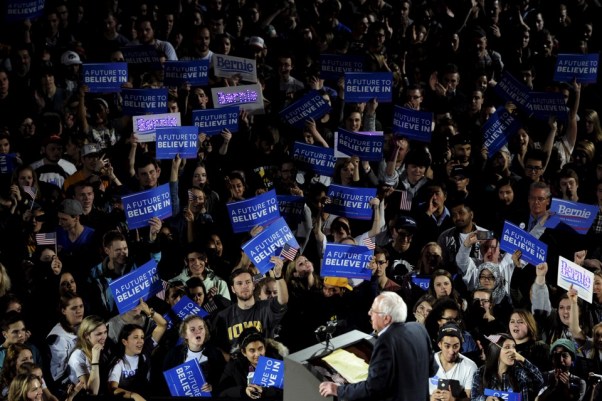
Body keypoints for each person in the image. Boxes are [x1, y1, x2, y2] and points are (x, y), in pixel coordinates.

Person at [319, 291, 436, 401]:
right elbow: (432, 370)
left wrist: (338, 390)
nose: (369, 313)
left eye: (373, 311)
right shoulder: (418, 329)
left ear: (386, 319)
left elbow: (373, 388)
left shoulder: (385, 340)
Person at [107, 300, 167, 401]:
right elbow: (112, 389)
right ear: (125, 341)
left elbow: (163, 325)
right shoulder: (119, 363)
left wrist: (149, 311)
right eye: (135, 337)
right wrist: (133, 395)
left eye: (142, 337)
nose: (140, 341)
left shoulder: (145, 350)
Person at [216, 326, 287, 399]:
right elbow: (222, 392)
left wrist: (264, 391)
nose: (258, 354)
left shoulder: (277, 360)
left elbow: (289, 388)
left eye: (260, 348)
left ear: (265, 347)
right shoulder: (234, 366)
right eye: (252, 350)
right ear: (244, 352)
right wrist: (244, 391)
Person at [163, 315, 226, 395]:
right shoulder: (174, 354)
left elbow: (224, 381)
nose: (198, 332)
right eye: (192, 329)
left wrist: (212, 387)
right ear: (185, 334)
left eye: (201, 328)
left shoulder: (215, 354)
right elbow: (166, 380)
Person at [471, 333, 544, 401]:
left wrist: (523, 360)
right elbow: (474, 398)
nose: (513, 351)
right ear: (496, 350)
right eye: (507, 347)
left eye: (513, 347)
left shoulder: (519, 372)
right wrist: (486, 399)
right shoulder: (480, 372)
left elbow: (540, 382)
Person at [429, 322, 478, 401]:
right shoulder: (427, 362)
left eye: (456, 346)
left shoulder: (470, 366)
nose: (451, 351)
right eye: (447, 346)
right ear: (439, 344)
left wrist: (453, 400)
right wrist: (430, 398)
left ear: (460, 345)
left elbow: (471, 398)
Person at [67, 315, 109, 395]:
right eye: (99, 334)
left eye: (105, 332)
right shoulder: (78, 356)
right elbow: (92, 392)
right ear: (86, 335)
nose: (104, 337)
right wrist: (95, 361)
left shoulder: (103, 348)